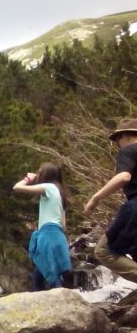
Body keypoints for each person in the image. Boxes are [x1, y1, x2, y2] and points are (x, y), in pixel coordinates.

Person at [84, 118, 137, 283]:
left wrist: (95, 198)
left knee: (103, 250)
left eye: (116, 139)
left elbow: (124, 176)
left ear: (126, 136)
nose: (116, 144)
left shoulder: (129, 149)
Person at [13, 162, 71, 290]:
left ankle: (61, 301)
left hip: (48, 235)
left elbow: (17, 187)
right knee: (38, 277)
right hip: (59, 237)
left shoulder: (48, 187)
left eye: (39, 172)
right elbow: (64, 225)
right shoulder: (61, 193)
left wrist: (28, 179)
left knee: (51, 277)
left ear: (45, 174)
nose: (38, 175)